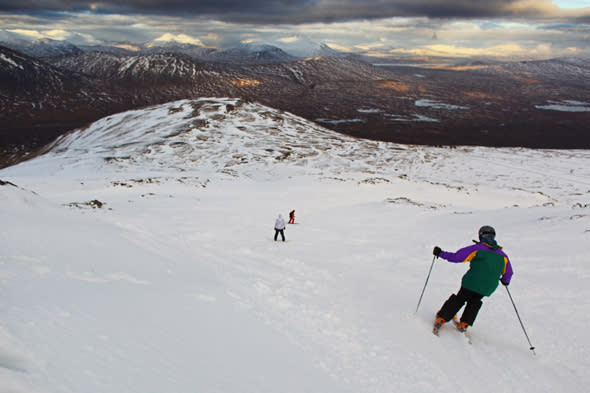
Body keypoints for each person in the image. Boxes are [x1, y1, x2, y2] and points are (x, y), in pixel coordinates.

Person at [432, 225, 513, 333]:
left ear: (480, 236)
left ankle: (442, 317)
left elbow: (457, 257)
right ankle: (465, 323)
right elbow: (509, 272)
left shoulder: (477, 248)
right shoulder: (503, 256)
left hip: (471, 282)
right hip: (488, 287)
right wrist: (505, 281)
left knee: (460, 298)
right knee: (475, 301)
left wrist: (440, 253)